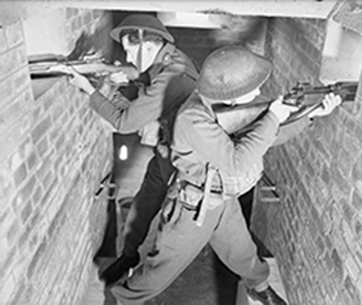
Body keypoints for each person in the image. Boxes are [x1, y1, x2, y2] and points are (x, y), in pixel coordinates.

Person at [110, 46, 341, 305]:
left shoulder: (220, 106)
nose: (258, 93)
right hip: (193, 207)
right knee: (160, 269)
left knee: (242, 253)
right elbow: (237, 161)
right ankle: (124, 298)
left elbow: (264, 138)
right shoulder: (193, 118)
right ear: (230, 91)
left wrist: (311, 115)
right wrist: (274, 115)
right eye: (252, 88)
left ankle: (259, 287)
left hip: (222, 198)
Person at [66, 14, 198, 285]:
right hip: (167, 150)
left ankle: (138, 288)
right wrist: (115, 73)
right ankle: (128, 255)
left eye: (129, 49)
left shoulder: (173, 75)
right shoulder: (170, 57)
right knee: (143, 204)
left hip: (190, 165)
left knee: (175, 232)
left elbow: (124, 122)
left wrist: (90, 89)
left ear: (147, 45)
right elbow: (144, 74)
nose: (126, 55)